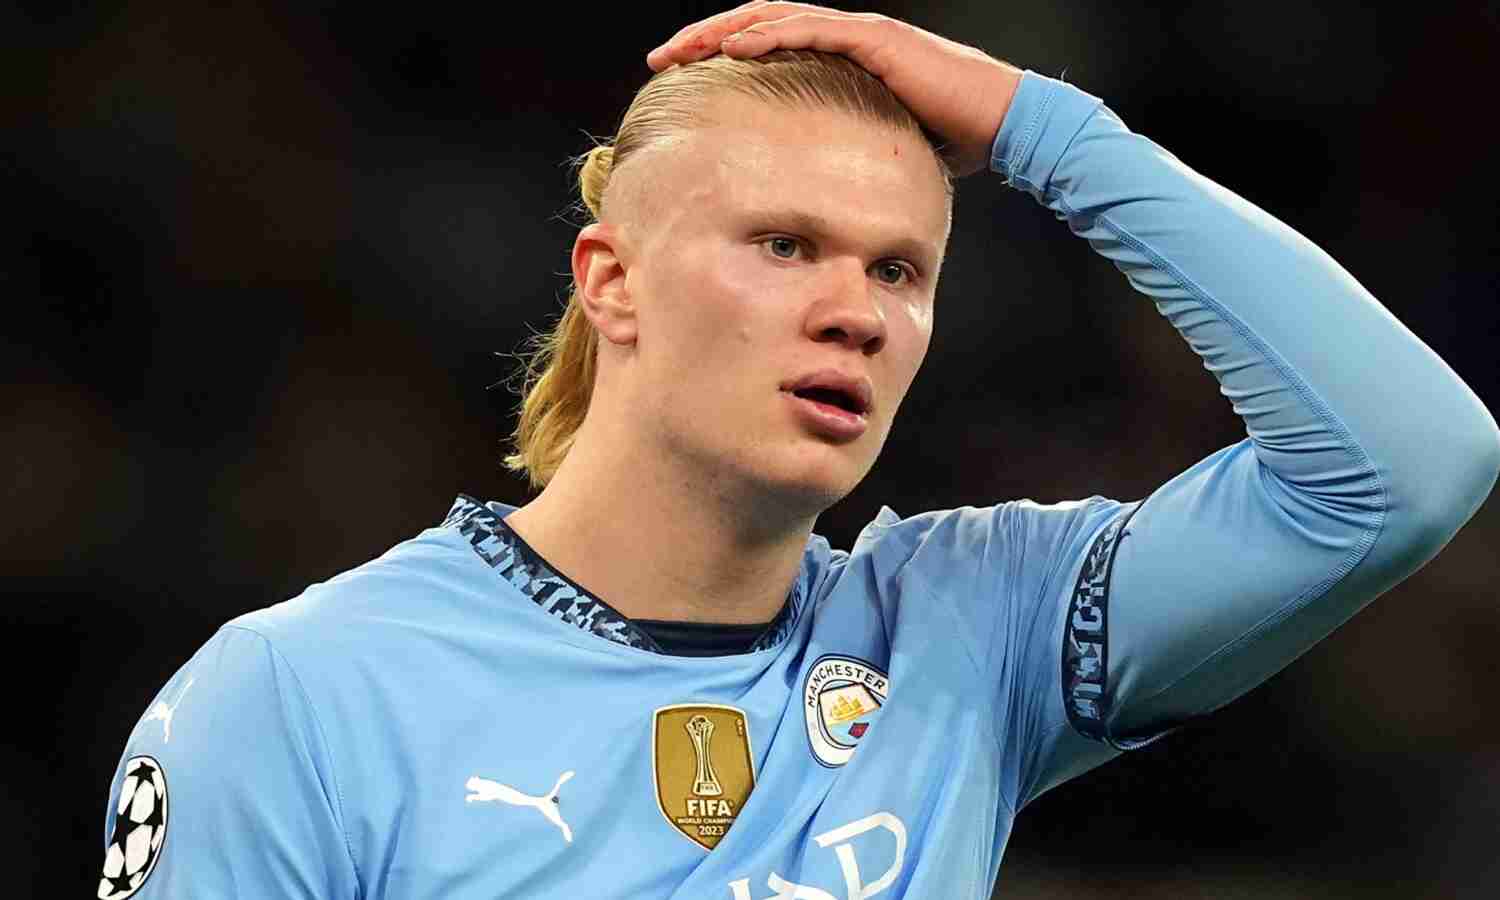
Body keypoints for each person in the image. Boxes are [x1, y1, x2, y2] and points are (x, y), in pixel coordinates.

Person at [97, 3, 1499, 899]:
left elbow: (1403, 466)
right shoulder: (300, 696)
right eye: (784, 245)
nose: (857, 312)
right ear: (612, 282)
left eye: (900, 270)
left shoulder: (968, 634)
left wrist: (1046, 132)